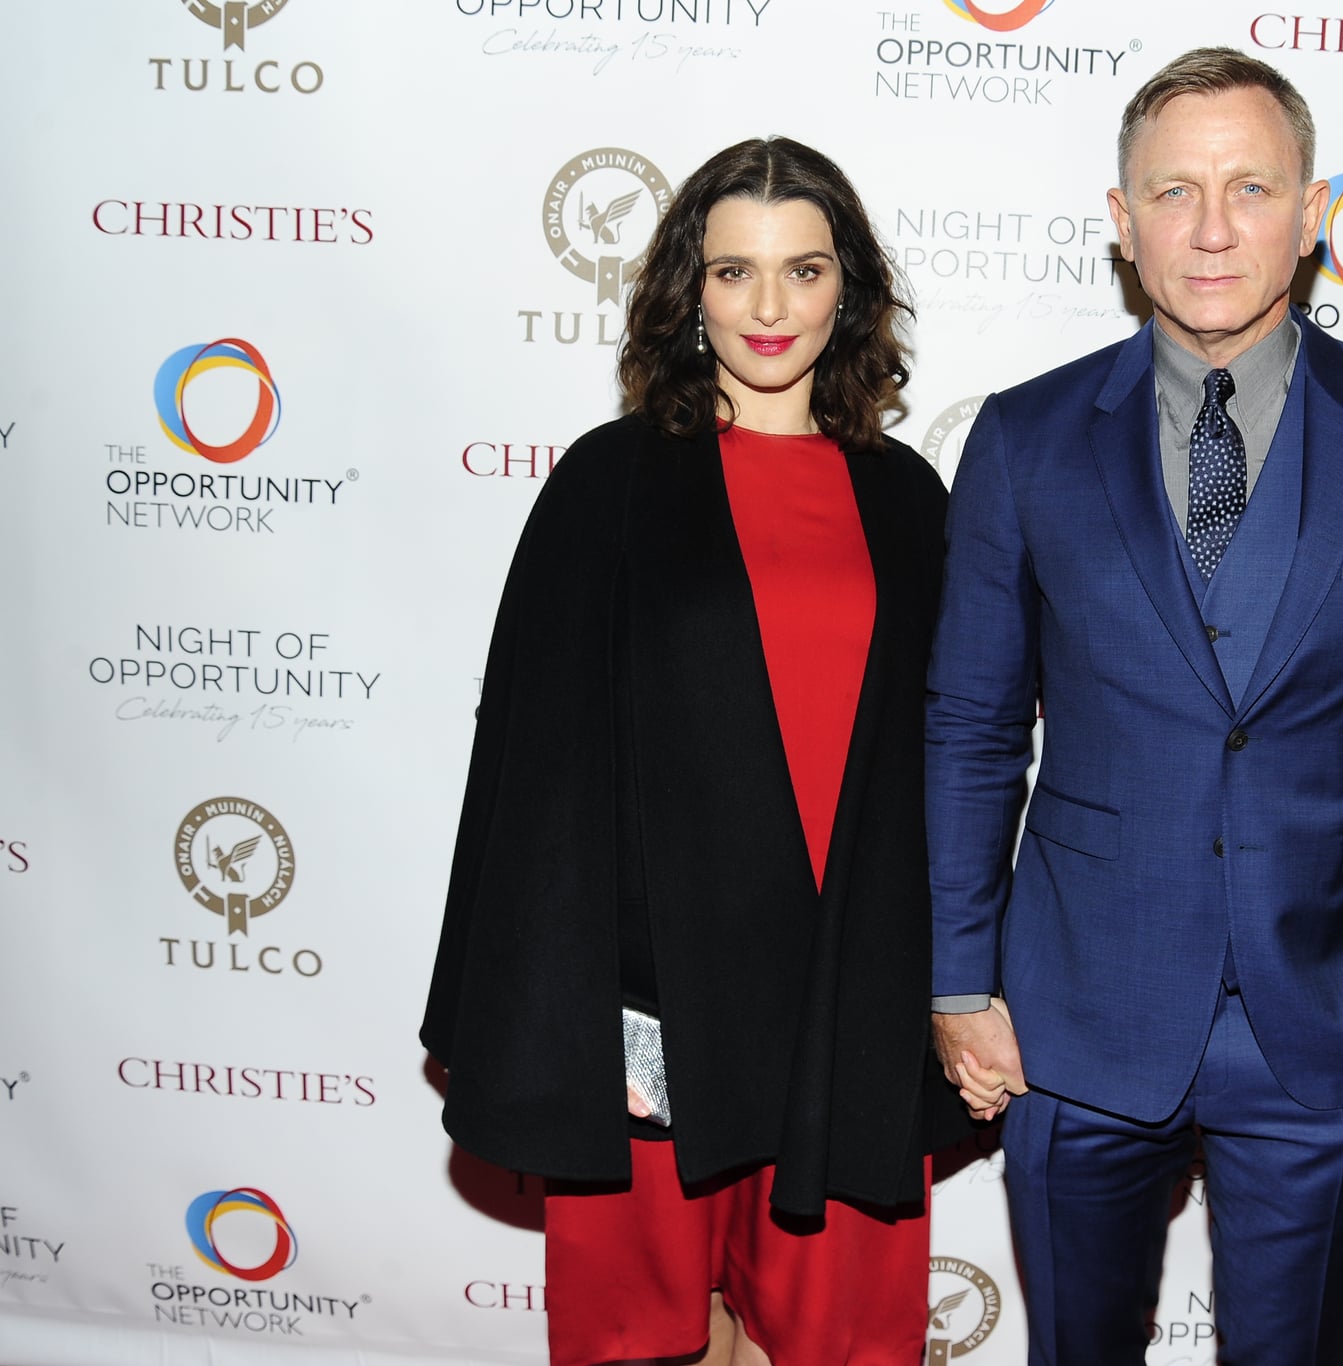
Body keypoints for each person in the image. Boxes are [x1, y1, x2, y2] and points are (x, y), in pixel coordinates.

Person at [925, 47, 1343, 1365]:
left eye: (1250, 187)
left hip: (1331, 1008)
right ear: (1121, 223)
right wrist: (963, 980)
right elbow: (971, 728)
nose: (1210, 227)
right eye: (1173, 191)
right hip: (1076, 1012)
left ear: (1313, 216)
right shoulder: (1024, 440)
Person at [421, 136, 966, 1366]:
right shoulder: (606, 485)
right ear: (688, 291)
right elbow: (535, 775)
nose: (769, 308)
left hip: (849, 996)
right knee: (636, 1340)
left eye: (803, 269)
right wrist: (576, 1015)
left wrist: (960, 987)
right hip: (651, 1003)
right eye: (733, 272)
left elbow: (954, 763)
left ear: (851, 289)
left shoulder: (910, 499)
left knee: (840, 1342)